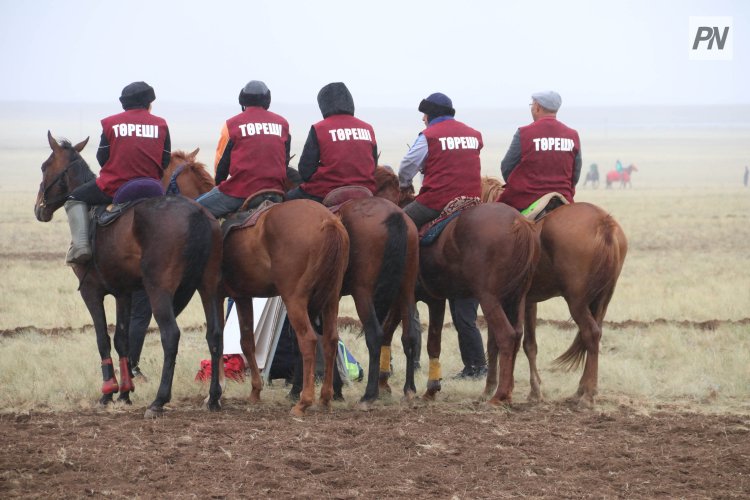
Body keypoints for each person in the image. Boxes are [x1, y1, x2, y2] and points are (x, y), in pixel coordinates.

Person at [64, 81, 170, 265]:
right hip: (152, 187)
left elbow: (102, 157)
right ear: (148, 103)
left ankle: (80, 246)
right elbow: (165, 161)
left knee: (74, 197)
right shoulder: (161, 124)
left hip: (116, 186)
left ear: (124, 103)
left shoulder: (110, 123)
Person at [197, 80, 291, 217]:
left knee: (192, 211)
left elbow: (221, 162)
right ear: (267, 100)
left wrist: (218, 185)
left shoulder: (231, 124)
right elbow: (285, 160)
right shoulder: (283, 124)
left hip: (240, 192)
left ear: (242, 100)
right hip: (275, 192)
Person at [398, 92, 483, 228]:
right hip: (472, 200)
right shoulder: (475, 134)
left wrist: (404, 185)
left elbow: (407, 164)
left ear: (432, 114)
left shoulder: (429, 136)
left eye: (425, 114)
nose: (423, 119)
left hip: (437, 202)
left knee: (398, 223)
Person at [286, 82, 378, 202]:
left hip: (325, 191)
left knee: (286, 200)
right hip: (365, 191)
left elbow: (305, 170)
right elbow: (374, 165)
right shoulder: (368, 128)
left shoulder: (319, 128)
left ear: (324, 105)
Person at [498, 91, 581, 212]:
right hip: (563, 198)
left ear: (537, 107)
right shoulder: (572, 134)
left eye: (532, 104)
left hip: (527, 199)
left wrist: (517, 186)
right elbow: (575, 173)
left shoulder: (524, 133)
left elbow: (506, 166)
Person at [449, 298, 488, 379]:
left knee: (467, 323)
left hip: (467, 289)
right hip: (453, 290)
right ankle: (469, 368)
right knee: (459, 325)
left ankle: (481, 367)